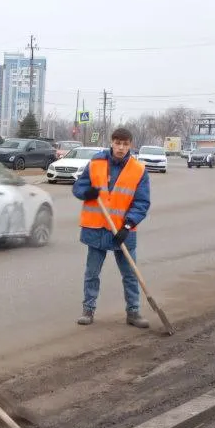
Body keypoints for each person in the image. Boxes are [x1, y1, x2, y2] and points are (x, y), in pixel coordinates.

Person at [73, 127, 152, 328]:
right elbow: (79, 187)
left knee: (130, 275)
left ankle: (133, 312)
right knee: (92, 273)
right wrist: (87, 192)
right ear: (112, 143)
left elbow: (142, 203)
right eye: (117, 143)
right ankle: (88, 310)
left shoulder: (138, 170)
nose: (121, 148)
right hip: (97, 228)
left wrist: (128, 225)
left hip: (122, 232)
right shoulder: (96, 162)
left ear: (130, 145)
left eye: (125, 144)